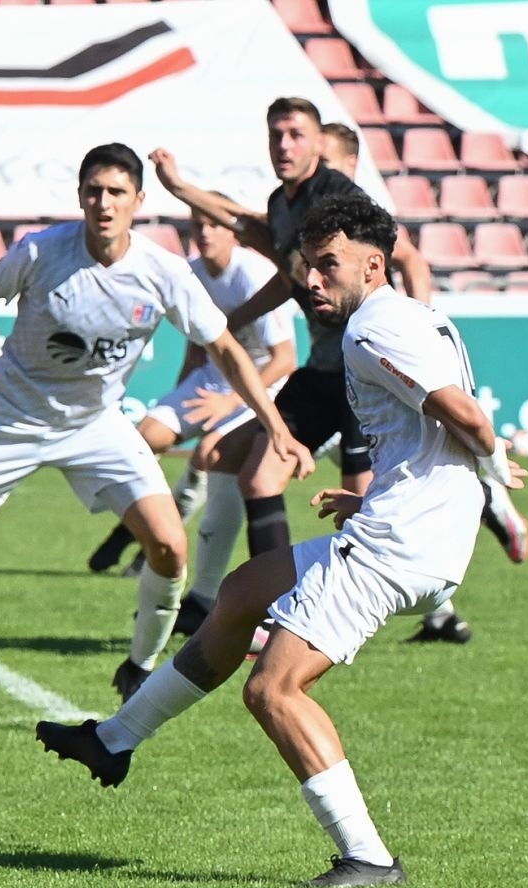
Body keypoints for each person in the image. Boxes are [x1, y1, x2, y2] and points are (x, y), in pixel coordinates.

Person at [38, 195, 525, 888]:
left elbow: (466, 419)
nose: (312, 282)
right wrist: (378, 494)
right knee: (239, 594)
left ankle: (370, 857)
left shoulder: (373, 331)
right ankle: (112, 741)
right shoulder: (422, 317)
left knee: (274, 689)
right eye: (307, 268)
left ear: (374, 263)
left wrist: (497, 463)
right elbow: (439, 437)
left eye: (328, 266)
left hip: (399, 548)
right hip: (410, 530)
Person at [0, 143, 305, 703]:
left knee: (169, 547)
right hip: (6, 421)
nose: (104, 202)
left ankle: (140, 666)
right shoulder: (42, 252)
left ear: (139, 200)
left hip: (96, 426)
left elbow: (226, 347)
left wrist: (276, 426)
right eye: (94, 191)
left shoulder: (162, 272)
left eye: (117, 192)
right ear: (80, 196)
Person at [149, 98, 434, 637]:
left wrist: (422, 325)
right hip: (323, 370)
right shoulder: (283, 204)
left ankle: (432, 601)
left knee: (366, 501)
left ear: (316, 143)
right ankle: (281, 613)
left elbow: (409, 258)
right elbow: (282, 269)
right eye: (275, 134)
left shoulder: (341, 198)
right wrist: (232, 319)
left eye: (295, 134)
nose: (284, 144)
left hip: (367, 371)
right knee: (259, 475)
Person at [324, 119, 528, 600]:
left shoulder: (361, 224)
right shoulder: (304, 212)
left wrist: (412, 321)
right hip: (338, 365)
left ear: (352, 164)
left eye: (327, 161)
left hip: (371, 362)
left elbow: (411, 261)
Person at [86, 202, 299, 599]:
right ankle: (134, 528)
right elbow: (199, 347)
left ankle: (165, 553)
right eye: (197, 225)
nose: (204, 233)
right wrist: (180, 391)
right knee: (145, 438)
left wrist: (230, 403)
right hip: (212, 377)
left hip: (261, 385)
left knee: (209, 453)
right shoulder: (194, 273)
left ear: (232, 233)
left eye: (213, 225)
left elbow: (285, 359)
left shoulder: (252, 274)